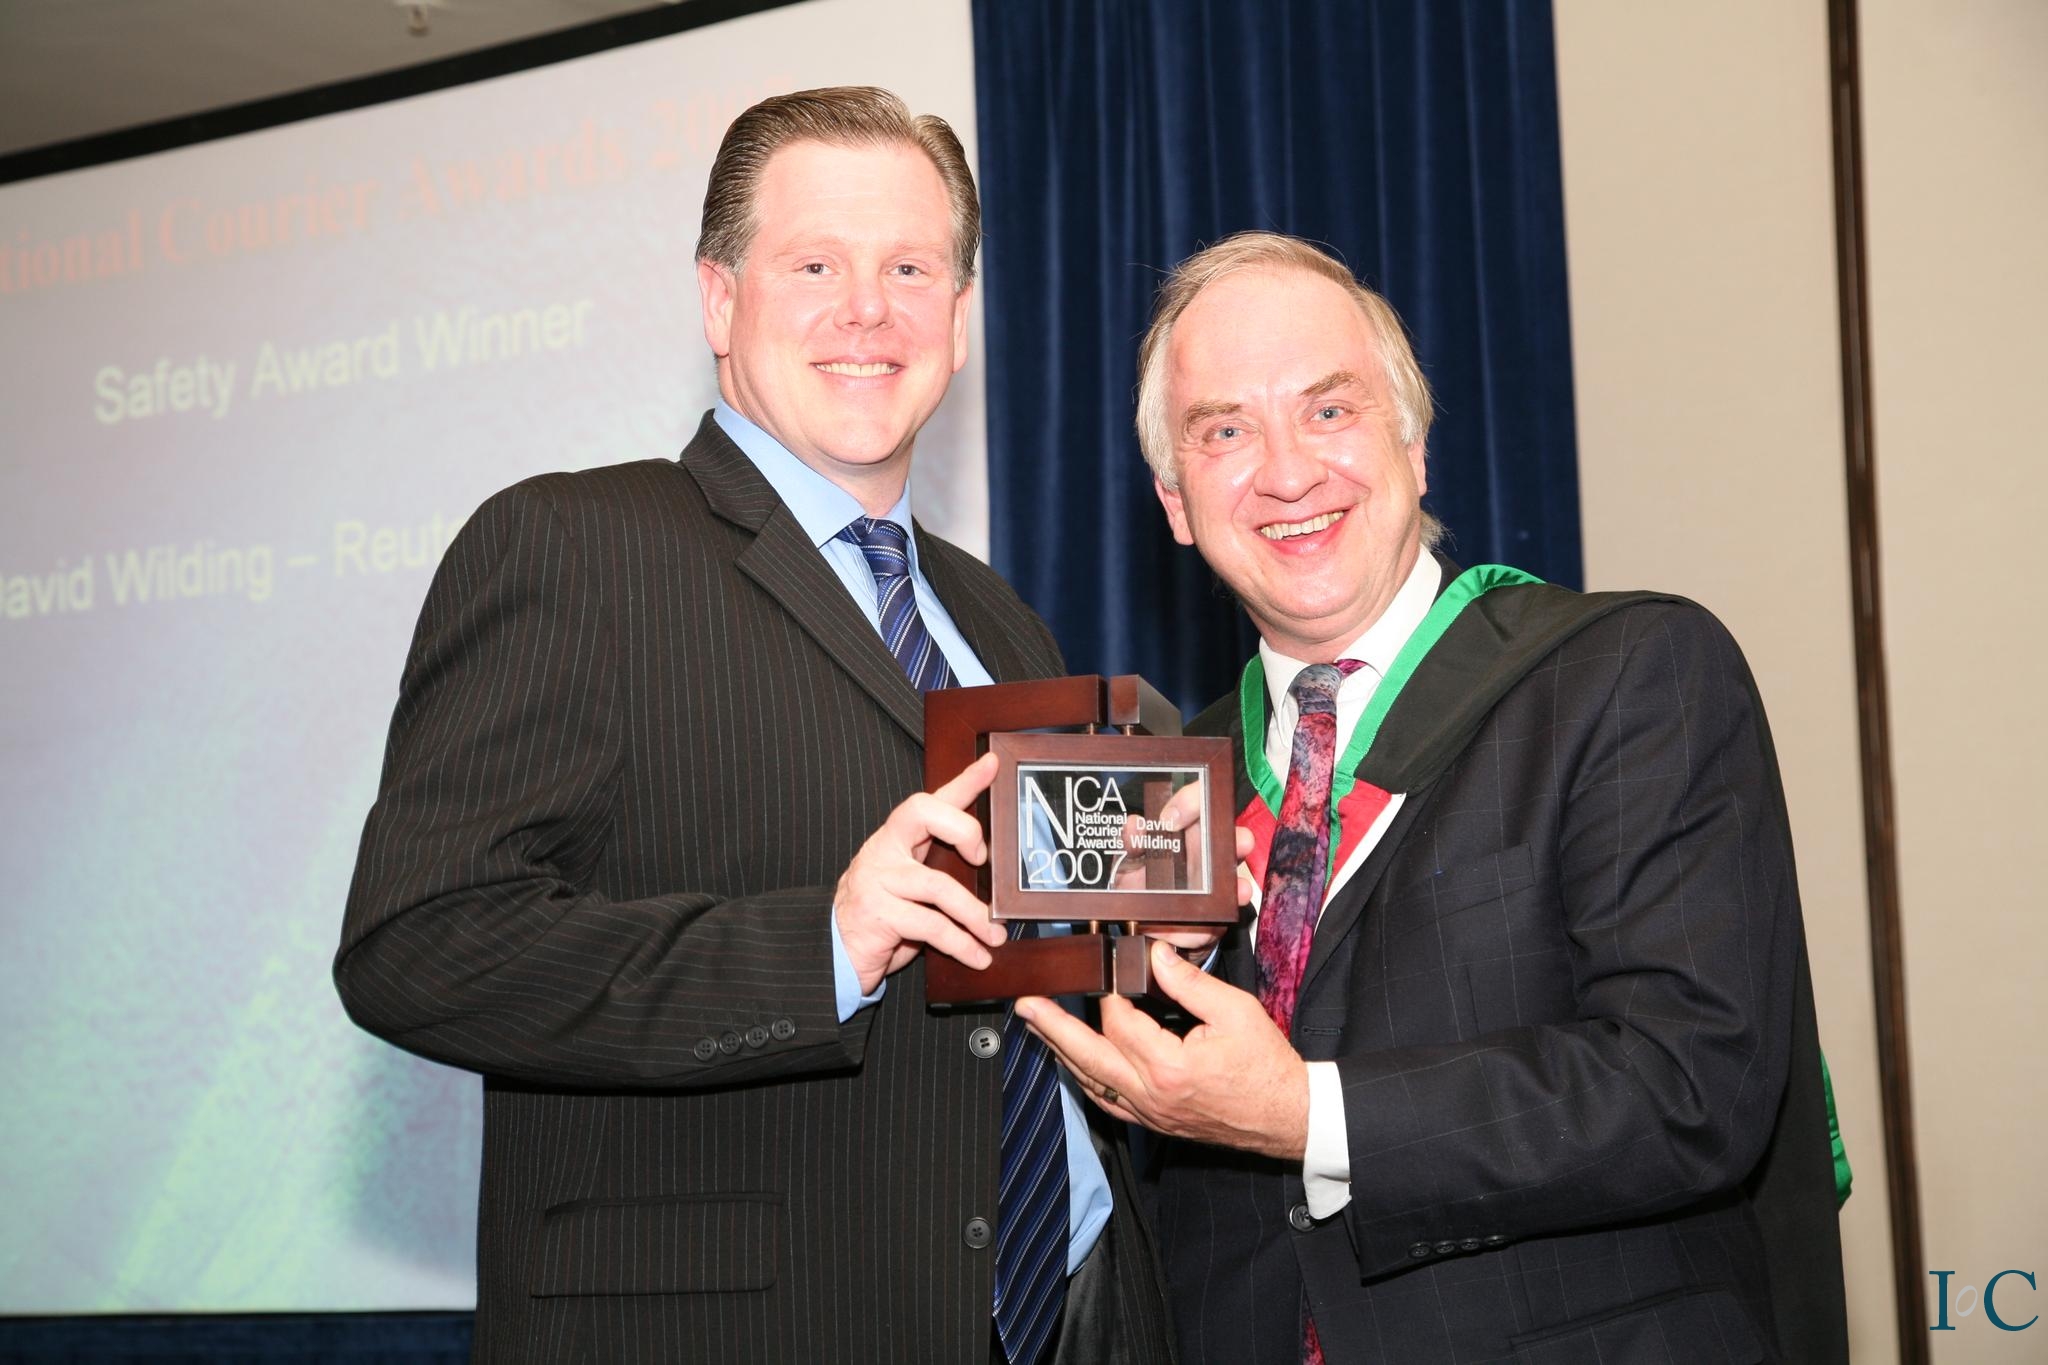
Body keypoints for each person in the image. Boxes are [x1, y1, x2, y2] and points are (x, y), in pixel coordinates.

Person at [335, 87, 1174, 1365]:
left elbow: (1019, 972)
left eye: (910, 269)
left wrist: (1146, 935)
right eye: (815, 265)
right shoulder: (570, 546)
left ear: (957, 319)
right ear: (720, 301)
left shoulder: (1000, 621)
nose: (867, 309)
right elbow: (418, 946)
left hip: (1075, 1316)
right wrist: (824, 947)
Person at [1019, 232, 1849, 1364]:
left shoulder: (1624, 674)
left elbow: (1690, 1085)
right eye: (1224, 431)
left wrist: (1306, 1113)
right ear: (1174, 501)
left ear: (1412, 446)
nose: (1286, 472)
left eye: (1328, 410)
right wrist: (1152, 987)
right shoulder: (1165, 783)